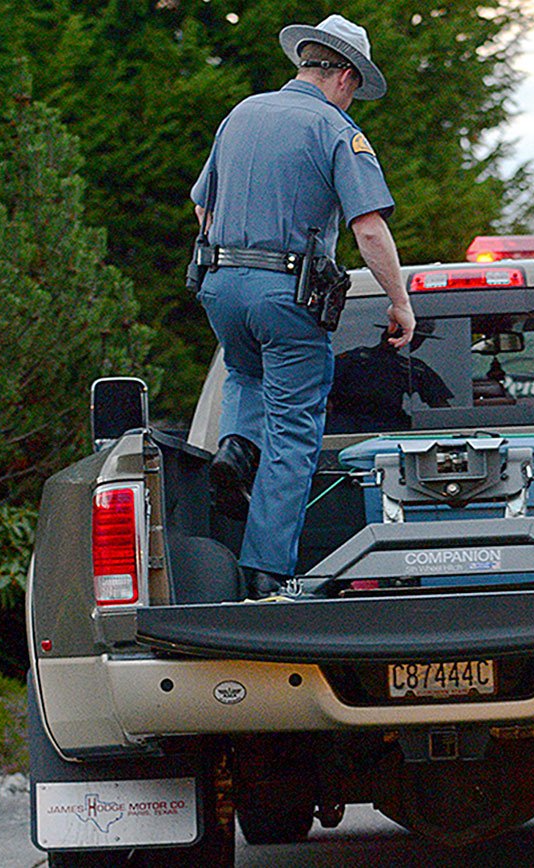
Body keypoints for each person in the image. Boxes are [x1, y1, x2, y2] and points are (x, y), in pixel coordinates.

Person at [190, 14, 415, 599]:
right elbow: (368, 230)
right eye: (355, 90)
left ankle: (235, 447)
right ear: (344, 75)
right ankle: (267, 571)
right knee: (293, 430)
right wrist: (400, 303)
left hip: (220, 284)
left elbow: (202, 210)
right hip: (285, 294)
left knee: (244, 371)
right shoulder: (338, 131)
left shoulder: (242, 114)